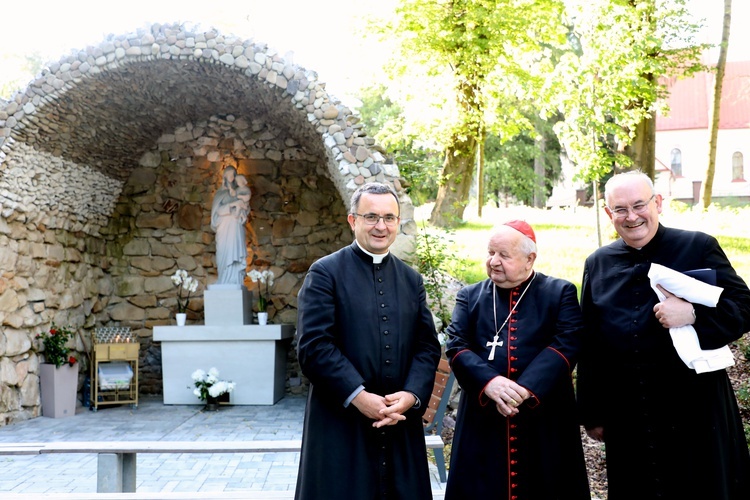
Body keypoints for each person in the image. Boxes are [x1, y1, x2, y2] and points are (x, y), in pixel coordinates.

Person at [577, 171, 750, 499]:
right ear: (607, 213)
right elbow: (591, 343)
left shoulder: (697, 246)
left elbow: (743, 305)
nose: (631, 217)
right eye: (620, 209)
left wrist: (694, 315)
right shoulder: (597, 263)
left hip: (696, 408)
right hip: (629, 415)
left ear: (658, 203)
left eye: (639, 205)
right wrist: (593, 413)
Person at [295, 182, 441, 500]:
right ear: (353, 220)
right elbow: (313, 346)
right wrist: (360, 397)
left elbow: (427, 347)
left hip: (399, 423)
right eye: (371, 216)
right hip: (341, 426)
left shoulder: (410, 280)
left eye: (389, 218)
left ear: (398, 223)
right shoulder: (324, 274)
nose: (381, 226)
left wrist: (412, 395)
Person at [444, 221, 590, 500]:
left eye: (503, 255)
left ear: (529, 259)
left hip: (543, 419)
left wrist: (524, 389)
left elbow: (567, 343)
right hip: (483, 418)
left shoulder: (559, 292)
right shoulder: (470, 296)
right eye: (490, 253)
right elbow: (457, 346)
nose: (493, 262)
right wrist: (490, 382)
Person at [210, 165, 247, 285]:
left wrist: (241, 208)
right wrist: (232, 204)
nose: (232, 177)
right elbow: (217, 212)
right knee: (223, 253)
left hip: (235, 226)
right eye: (230, 174)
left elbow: (245, 208)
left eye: (234, 174)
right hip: (224, 227)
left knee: (235, 251)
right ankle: (223, 279)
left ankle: (236, 279)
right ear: (224, 177)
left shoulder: (239, 192)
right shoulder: (220, 194)